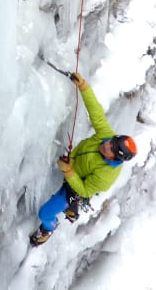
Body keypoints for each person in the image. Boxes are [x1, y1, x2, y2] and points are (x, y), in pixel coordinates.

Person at [29, 71, 137, 246]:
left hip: (75, 189)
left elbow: (85, 190)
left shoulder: (106, 176)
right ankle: (71, 209)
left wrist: (69, 171)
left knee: (45, 214)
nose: (106, 144)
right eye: (111, 142)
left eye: (111, 149)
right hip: (74, 164)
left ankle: (49, 228)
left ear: (116, 157)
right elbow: (96, 113)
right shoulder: (107, 136)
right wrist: (84, 87)